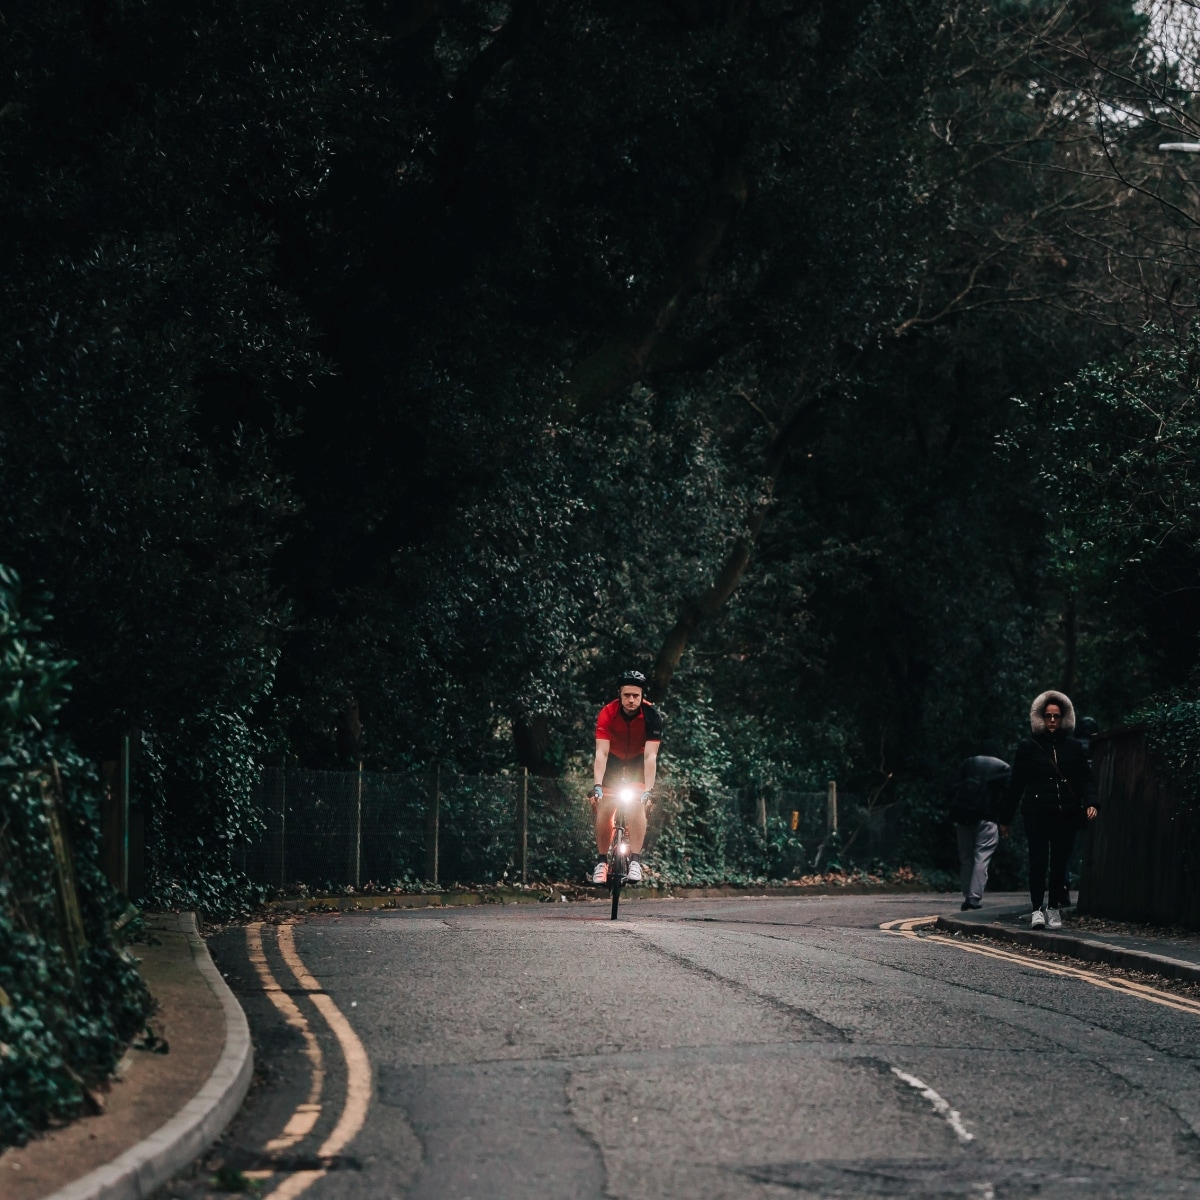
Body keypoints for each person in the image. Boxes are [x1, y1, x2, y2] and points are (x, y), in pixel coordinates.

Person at [1002, 690, 1098, 930]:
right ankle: (1036, 909)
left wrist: (1092, 802)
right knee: (1038, 860)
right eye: (1048, 716)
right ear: (1040, 718)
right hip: (1036, 813)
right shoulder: (1028, 747)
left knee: (1059, 863)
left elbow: (1085, 779)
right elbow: (1016, 784)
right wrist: (1004, 818)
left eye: (1056, 716)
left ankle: (1053, 908)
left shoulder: (1074, 747)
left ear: (1063, 717)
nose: (1052, 720)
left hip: (1065, 814)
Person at [590, 669, 662, 885]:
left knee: (638, 805)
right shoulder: (607, 713)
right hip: (613, 759)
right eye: (627, 695)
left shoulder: (652, 716)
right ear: (619, 694)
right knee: (605, 807)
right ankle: (602, 862)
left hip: (638, 761)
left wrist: (648, 789)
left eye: (636, 696)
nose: (631, 700)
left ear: (642, 696)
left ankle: (635, 861)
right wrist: (597, 785)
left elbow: (650, 757)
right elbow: (601, 753)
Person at [947, 747, 1011, 911]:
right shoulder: (1003, 768)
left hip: (963, 816)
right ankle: (973, 899)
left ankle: (966, 894)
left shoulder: (969, 763)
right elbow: (1006, 797)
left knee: (966, 858)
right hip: (987, 818)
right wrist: (1004, 821)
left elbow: (953, 787)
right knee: (981, 857)